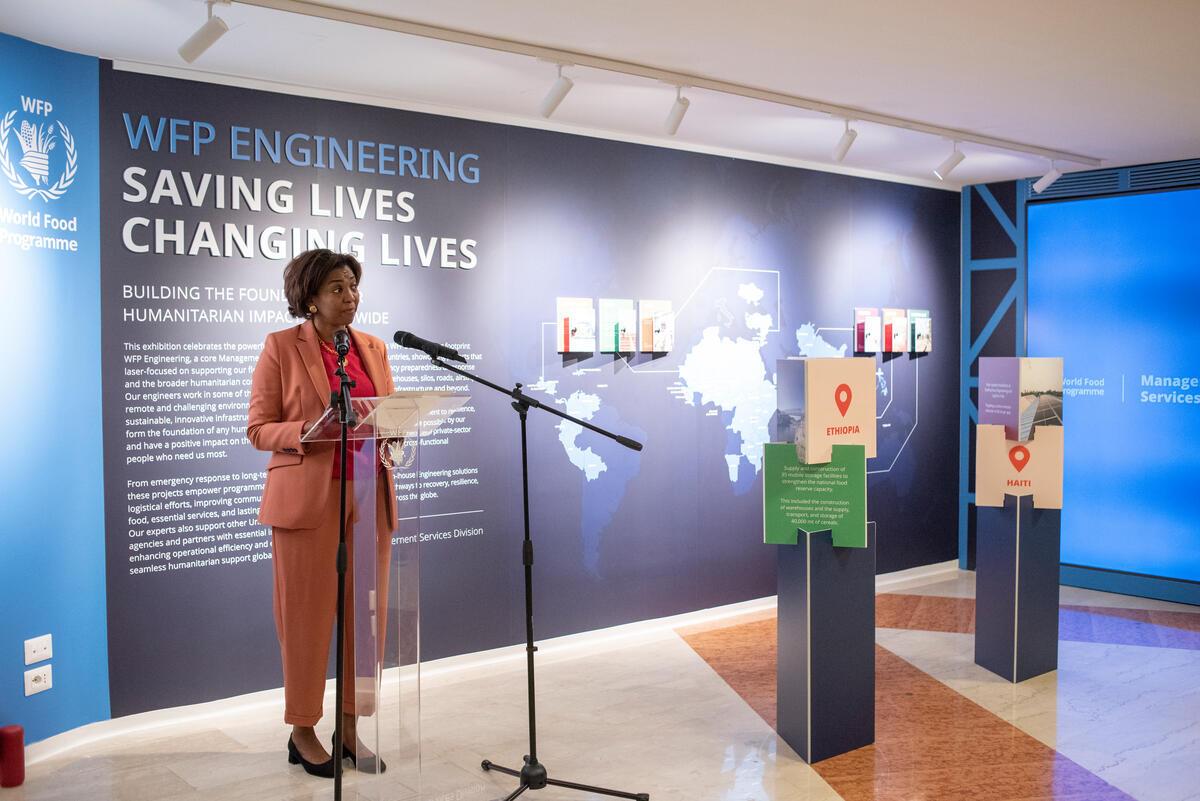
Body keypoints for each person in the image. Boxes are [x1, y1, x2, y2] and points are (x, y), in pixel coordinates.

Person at [246, 249, 395, 778]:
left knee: (365, 620)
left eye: (353, 286)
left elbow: (387, 415)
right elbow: (259, 427)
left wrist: (395, 427)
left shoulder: (374, 348)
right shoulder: (281, 347)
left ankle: (350, 728)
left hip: (366, 497)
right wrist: (308, 431)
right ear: (309, 297)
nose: (350, 297)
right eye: (336, 288)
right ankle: (303, 730)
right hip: (308, 503)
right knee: (305, 621)